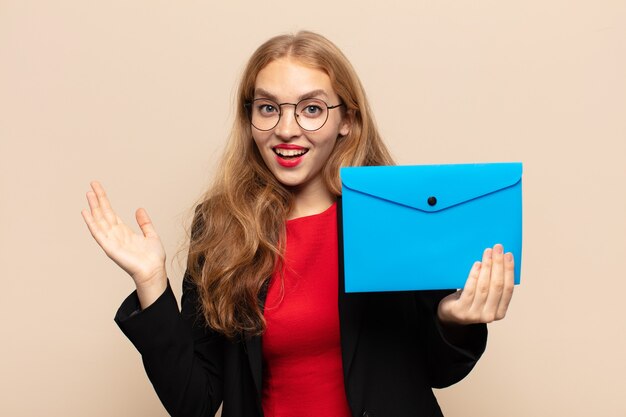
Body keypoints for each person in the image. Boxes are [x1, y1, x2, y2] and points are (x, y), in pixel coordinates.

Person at [81, 31, 515, 417]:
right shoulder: (220, 225)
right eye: (268, 108)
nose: (287, 129)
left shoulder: (391, 213)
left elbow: (440, 371)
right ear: (250, 119)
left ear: (347, 120)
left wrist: (454, 319)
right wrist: (151, 282)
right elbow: (193, 402)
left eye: (311, 109)